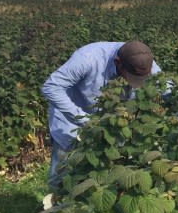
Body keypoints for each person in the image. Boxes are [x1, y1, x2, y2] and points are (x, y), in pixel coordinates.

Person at [41, 41, 160, 191]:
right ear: (118, 63)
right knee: (62, 177)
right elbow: (51, 87)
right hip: (73, 122)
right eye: (132, 77)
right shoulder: (88, 58)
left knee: (106, 177)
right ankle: (54, 209)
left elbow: (168, 90)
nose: (136, 84)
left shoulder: (144, 62)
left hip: (112, 127)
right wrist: (83, 119)